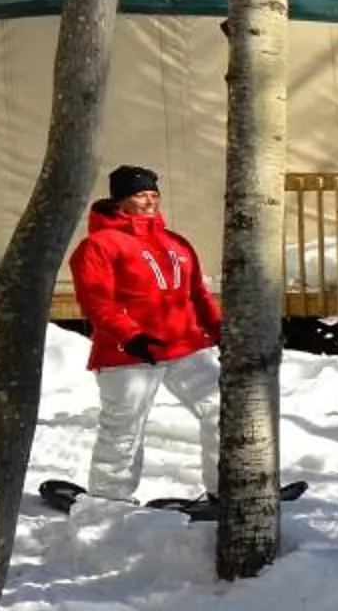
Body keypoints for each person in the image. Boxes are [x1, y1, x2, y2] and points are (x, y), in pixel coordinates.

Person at [56, 165, 222, 510]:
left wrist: (222, 331)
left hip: (184, 345)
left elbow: (198, 295)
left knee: (223, 410)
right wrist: (130, 336)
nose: (149, 201)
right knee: (124, 426)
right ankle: (110, 499)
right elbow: (97, 302)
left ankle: (229, 489)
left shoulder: (176, 242)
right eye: (140, 195)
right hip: (127, 353)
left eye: (153, 195)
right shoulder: (97, 246)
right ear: (120, 200)